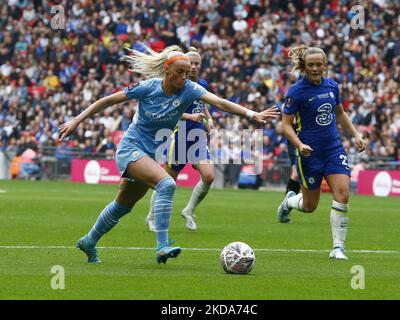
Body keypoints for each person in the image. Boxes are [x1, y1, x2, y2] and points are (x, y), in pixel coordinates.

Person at [58, 43, 278, 264]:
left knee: (123, 205)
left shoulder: (189, 90)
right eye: (180, 72)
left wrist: (251, 113)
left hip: (150, 154)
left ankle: (88, 241)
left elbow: (219, 102)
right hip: (131, 148)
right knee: (167, 184)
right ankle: (162, 245)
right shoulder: (147, 87)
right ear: (167, 70)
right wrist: (77, 120)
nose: (185, 76)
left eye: (187, 72)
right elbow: (107, 101)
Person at [277, 45, 367, 260]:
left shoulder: (332, 86)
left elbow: (340, 113)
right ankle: (289, 201)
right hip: (309, 154)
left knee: (343, 193)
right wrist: (299, 145)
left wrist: (355, 134)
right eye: (311, 65)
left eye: (319, 65)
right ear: (304, 67)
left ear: (325, 65)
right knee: (309, 206)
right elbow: (286, 125)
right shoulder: (296, 92)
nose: (316, 68)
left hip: (334, 149)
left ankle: (338, 248)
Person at [145, 47, 214, 232]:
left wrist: (209, 119)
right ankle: (151, 216)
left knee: (208, 176)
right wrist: (190, 117)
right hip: (180, 135)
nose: (193, 66)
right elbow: (168, 109)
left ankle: (189, 210)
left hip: (198, 136)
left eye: (196, 64)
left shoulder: (202, 84)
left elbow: (203, 104)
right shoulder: (176, 85)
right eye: (190, 63)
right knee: (166, 181)